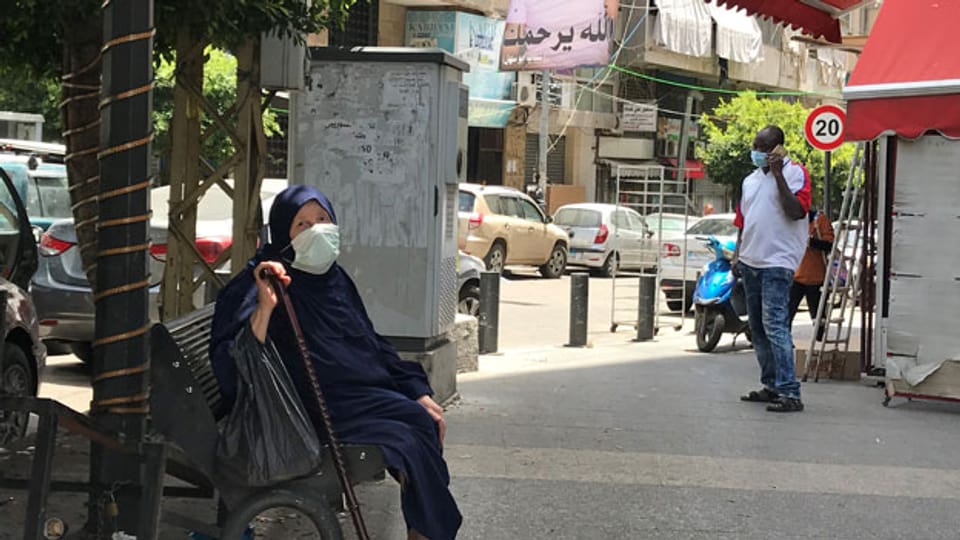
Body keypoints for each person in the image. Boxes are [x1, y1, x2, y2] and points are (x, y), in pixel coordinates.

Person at [210, 185, 462, 540]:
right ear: (283, 232)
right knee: (412, 431)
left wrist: (415, 388)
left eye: (323, 219)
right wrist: (266, 308)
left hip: (357, 396)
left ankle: (424, 529)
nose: (316, 230)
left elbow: (371, 342)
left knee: (423, 421)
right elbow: (236, 366)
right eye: (302, 224)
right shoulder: (263, 282)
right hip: (309, 409)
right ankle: (428, 531)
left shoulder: (334, 280)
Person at [733, 125, 811, 413]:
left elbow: (797, 211)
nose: (758, 152)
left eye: (764, 147)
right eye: (755, 145)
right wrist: (737, 255)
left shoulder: (796, 173)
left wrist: (778, 175)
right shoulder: (750, 180)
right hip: (751, 260)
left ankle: (790, 391)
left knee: (776, 325)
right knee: (758, 327)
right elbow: (743, 221)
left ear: (778, 149)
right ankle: (771, 384)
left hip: (778, 261)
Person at [788, 208, 834, 340]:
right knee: (787, 314)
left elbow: (829, 244)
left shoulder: (820, 221)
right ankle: (785, 342)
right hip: (795, 275)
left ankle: (819, 343)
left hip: (816, 277)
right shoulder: (791, 222)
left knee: (818, 318)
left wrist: (811, 242)